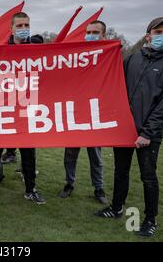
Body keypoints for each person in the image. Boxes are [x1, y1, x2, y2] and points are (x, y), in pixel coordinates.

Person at [95, 17, 163, 238]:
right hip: (125, 128)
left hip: (148, 134)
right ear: (148, 35)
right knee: (121, 171)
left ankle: (150, 219)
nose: (162, 35)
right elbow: (114, 86)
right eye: (158, 31)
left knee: (148, 176)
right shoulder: (133, 59)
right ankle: (116, 208)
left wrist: (147, 132)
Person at [0, 12, 46, 204]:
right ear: (11, 29)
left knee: (28, 155)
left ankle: (31, 189)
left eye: (26, 25)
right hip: (3, 110)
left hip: (26, 109)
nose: (23, 29)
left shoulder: (37, 49)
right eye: (19, 26)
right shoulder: (2, 51)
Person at [59, 20, 108, 204]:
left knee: (96, 156)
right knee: (70, 155)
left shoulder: (108, 56)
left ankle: (99, 188)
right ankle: (69, 183)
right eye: (88, 31)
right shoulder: (75, 56)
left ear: (103, 35)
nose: (90, 35)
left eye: (95, 32)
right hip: (75, 113)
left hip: (95, 114)